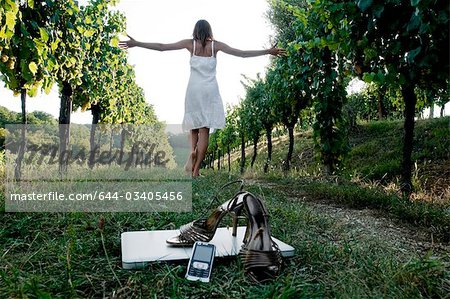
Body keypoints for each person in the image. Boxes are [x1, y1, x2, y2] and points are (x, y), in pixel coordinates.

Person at [119, 19, 285, 177]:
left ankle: (192, 150)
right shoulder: (216, 46)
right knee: (205, 130)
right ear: (209, 31)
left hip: (193, 90)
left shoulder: (190, 44)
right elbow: (242, 53)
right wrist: (267, 51)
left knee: (194, 126)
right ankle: (196, 170)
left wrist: (137, 43)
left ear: (195, 31)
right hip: (210, 91)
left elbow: (162, 47)